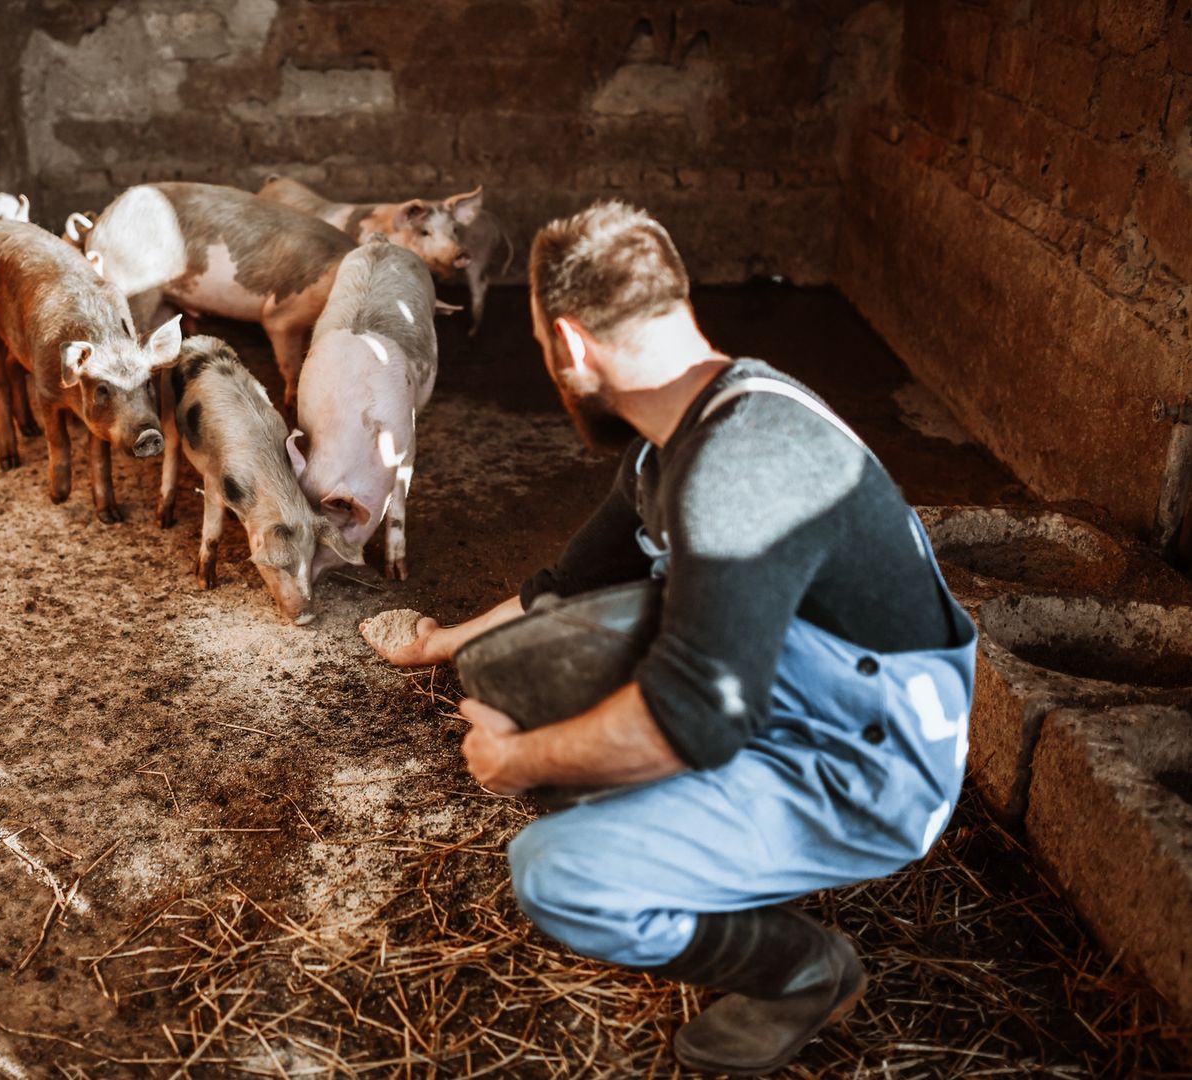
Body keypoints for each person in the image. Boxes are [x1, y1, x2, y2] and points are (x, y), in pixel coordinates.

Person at [361, 201, 976, 1076]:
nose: (549, 364)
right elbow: (564, 587)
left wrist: (525, 758)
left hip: (872, 763)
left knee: (558, 870)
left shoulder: (742, 463)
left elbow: (695, 717)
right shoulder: (671, 443)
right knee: (523, 667)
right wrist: (441, 644)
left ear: (569, 349)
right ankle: (720, 856)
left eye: (543, 349)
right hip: (785, 693)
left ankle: (802, 970)